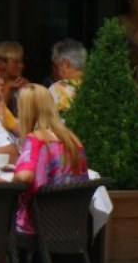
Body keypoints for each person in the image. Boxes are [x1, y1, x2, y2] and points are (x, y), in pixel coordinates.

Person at [11, 85, 89, 236]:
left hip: (40, 226)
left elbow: (25, 176)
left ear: (27, 111)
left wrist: (11, 178)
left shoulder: (37, 139)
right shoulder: (73, 139)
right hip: (72, 224)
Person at [48, 38, 86, 114]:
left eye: (58, 66)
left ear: (65, 64)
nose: (57, 72)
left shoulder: (57, 89)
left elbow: (46, 122)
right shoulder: (98, 85)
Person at [0, 41, 28, 109]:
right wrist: (8, 86)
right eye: (16, 62)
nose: (21, 66)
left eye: (21, 61)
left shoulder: (21, 83)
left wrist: (30, 89)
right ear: (1, 63)